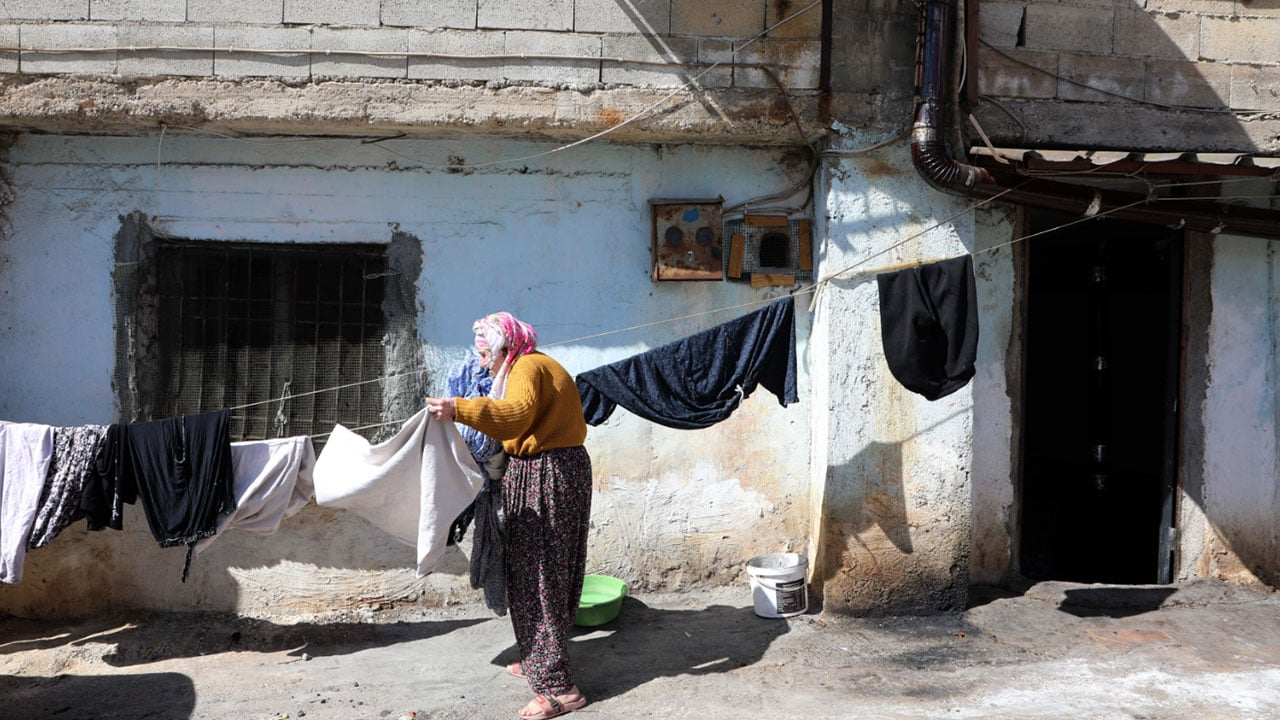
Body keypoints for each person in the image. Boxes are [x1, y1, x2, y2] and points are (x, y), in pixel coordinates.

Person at [425, 311, 592, 720]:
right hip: (551, 470)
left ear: (504, 348)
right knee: (542, 571)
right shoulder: (532, 365)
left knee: (538, 575)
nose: (482, 363)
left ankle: (561, 689)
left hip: (546, 474)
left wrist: (457, 408)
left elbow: (515, 415)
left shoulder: (528, 368)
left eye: (486, 354)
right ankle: (541, 660)